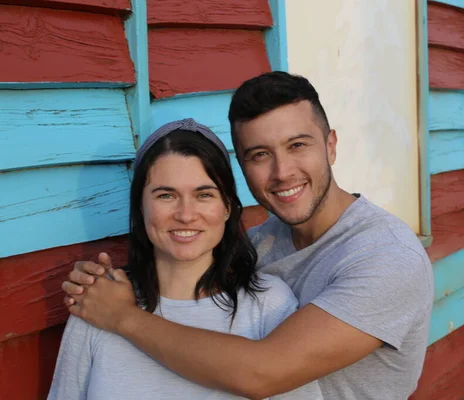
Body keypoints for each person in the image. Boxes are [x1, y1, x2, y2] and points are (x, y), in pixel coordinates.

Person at [62, 72, 434, 399]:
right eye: (259, 155)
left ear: (331, 145)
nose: (282, 171)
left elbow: (262, 373)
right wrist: (95, 285)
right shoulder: (259, 245)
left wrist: (123, 317)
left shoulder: (387, 256)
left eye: (297, 145)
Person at [48, 119, 323, 399]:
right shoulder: (98, 304)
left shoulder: (268, 305)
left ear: (227, 207)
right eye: (166, 195)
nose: (186, 214)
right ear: (140, 207)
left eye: (204, 195)